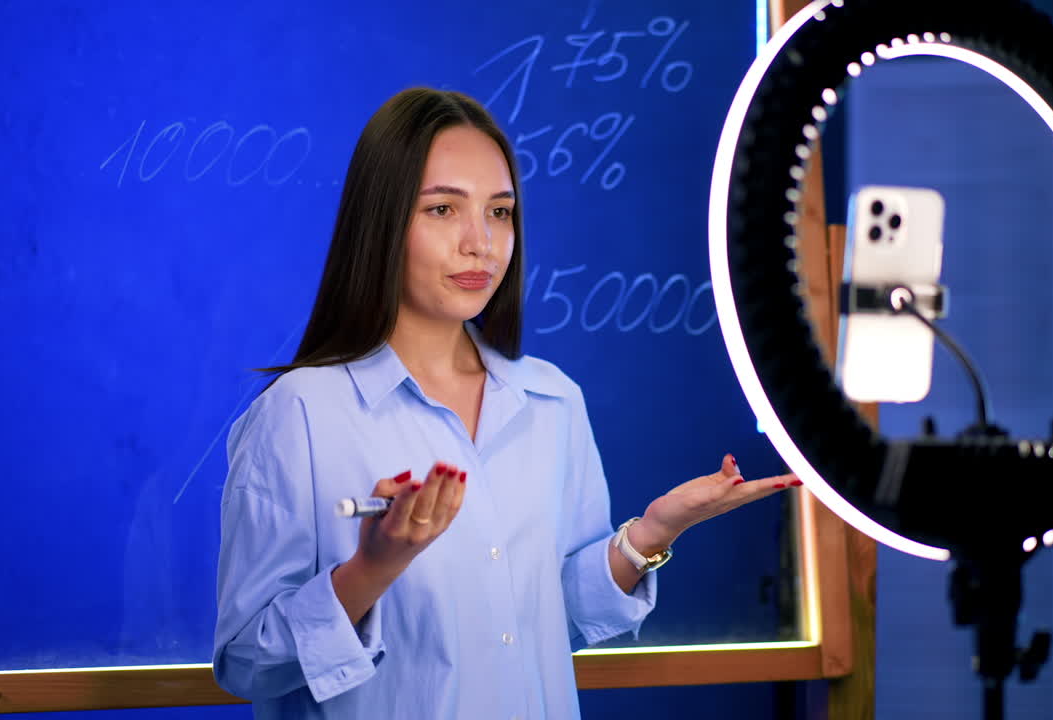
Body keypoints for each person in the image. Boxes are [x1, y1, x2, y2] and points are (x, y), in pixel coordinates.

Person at [212, 87, 799, 719]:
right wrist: (373, 567)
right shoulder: (300, 415)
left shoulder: (551, 402)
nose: (480, 243)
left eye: (499, 212)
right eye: (442, 210)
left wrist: (654, 532)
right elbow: (246, 662)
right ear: (380, 223)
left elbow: (552, 622)